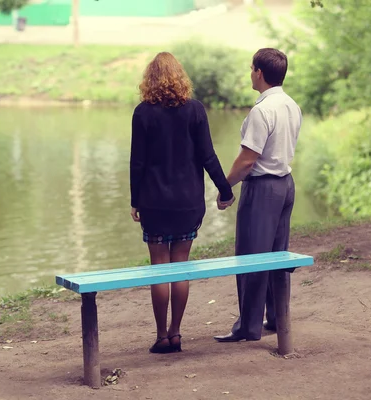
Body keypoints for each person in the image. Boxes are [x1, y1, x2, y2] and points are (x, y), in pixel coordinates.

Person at [130, 52, 235, 354]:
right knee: (180, 267)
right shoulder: (196, 110)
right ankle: (176, 333)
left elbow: (138, 163)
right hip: (188, 204)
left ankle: (161, 335)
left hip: (154, 204)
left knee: (160, 268)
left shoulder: (142, 113)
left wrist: (135, 200)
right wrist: (225, 190)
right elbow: (208, 156)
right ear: (181, 78)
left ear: (149, 79)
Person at [214, 48, 302, 343]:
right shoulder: (291, 105)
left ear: (259, 73)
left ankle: (248, 327)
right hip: (285, 184)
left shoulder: (262, 111)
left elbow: (247, 160)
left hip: (263, 188)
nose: (250, 73)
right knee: (276, 256)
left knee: (251, 257)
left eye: (251, 68)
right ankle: (277, 317)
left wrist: (225, 188)